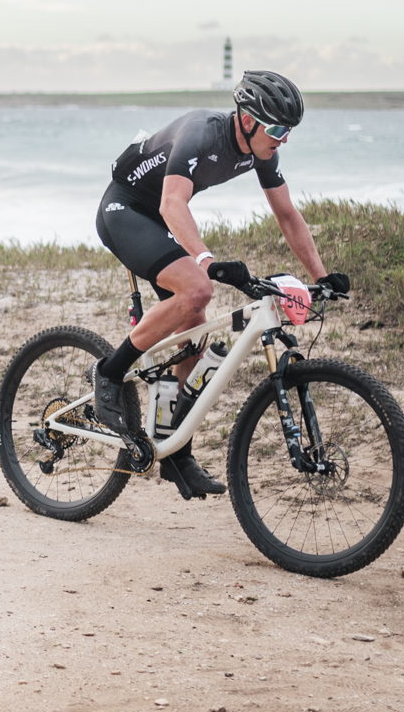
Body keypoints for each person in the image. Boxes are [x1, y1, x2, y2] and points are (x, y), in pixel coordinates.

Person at [90, 69, 347, 498]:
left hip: (159, 219)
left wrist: (321, 276)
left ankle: (176, 452)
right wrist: (206, 261)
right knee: (198, 290)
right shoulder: (200, 133)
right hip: (126, 210)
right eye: (278, 130)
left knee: (194, 335)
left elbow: (287, 215)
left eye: (290, 131)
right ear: (247, 120)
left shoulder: (262, 151)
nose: (284, 139)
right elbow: (172, 203)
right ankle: (109, 373)